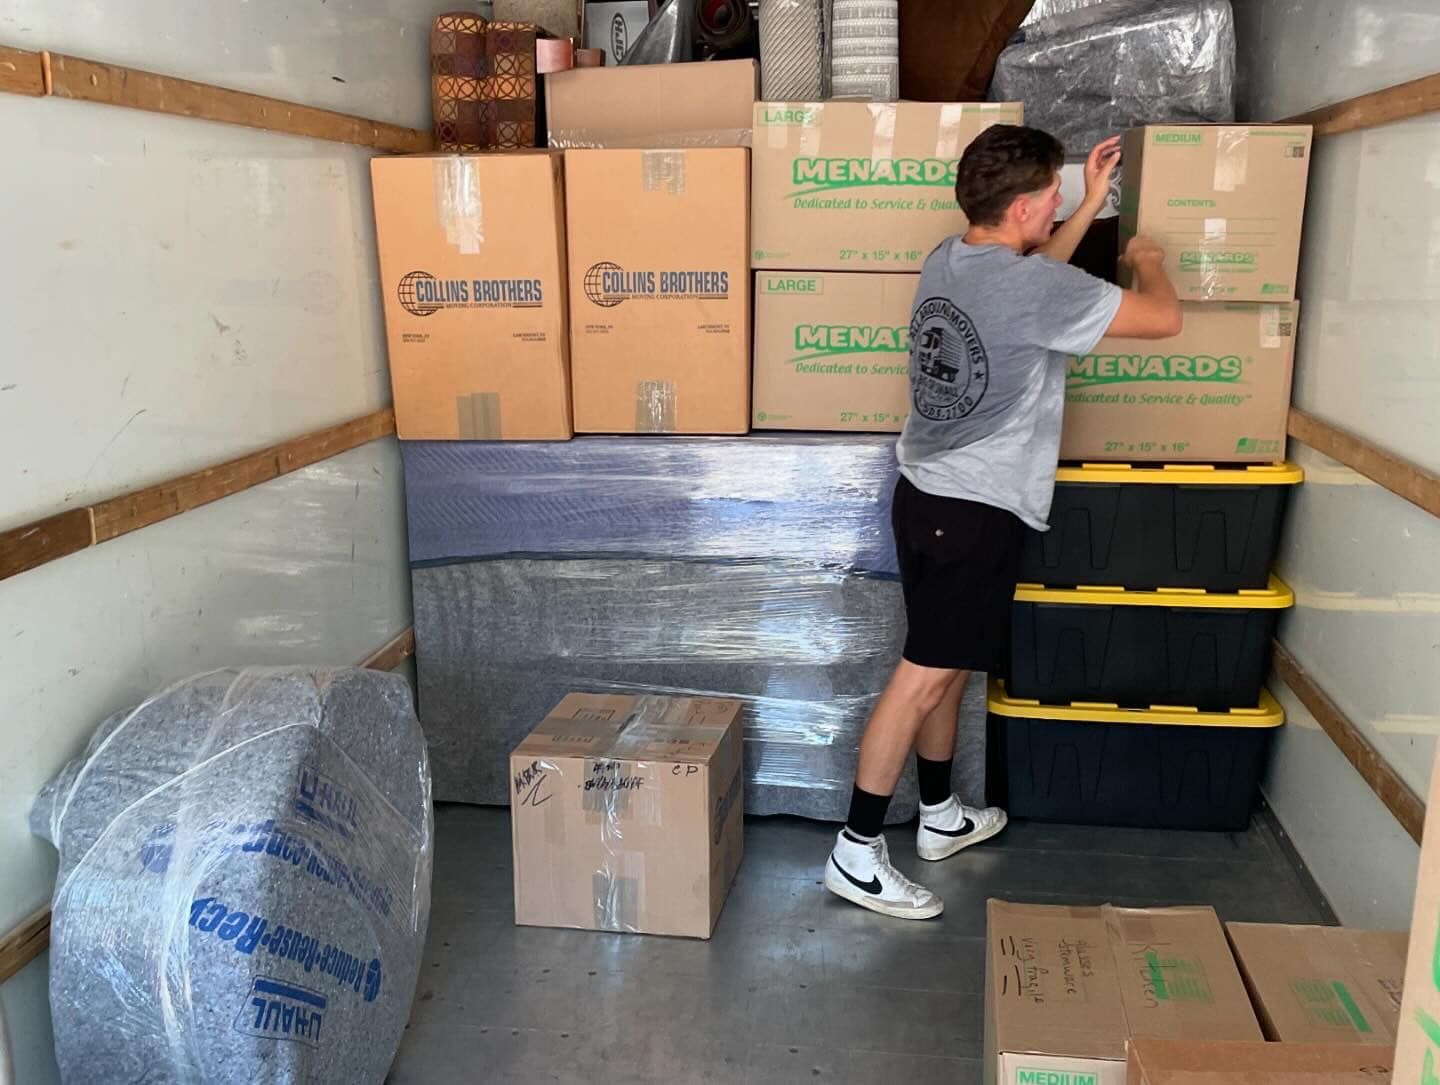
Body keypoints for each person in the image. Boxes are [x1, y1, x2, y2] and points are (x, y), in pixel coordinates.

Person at [824, 125, 1183, 920]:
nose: (1058, 205)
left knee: (947, 665)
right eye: (1052, 197)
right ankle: (855, 850)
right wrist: (1150, 263)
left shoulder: (951, 260)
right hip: (974, 511)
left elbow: (1035, 285)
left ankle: (940, 814)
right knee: (922, 676)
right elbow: (1162, 321)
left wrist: (1089, 201)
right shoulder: (1032, 289)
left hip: (923, 493)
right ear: (1022, 208)